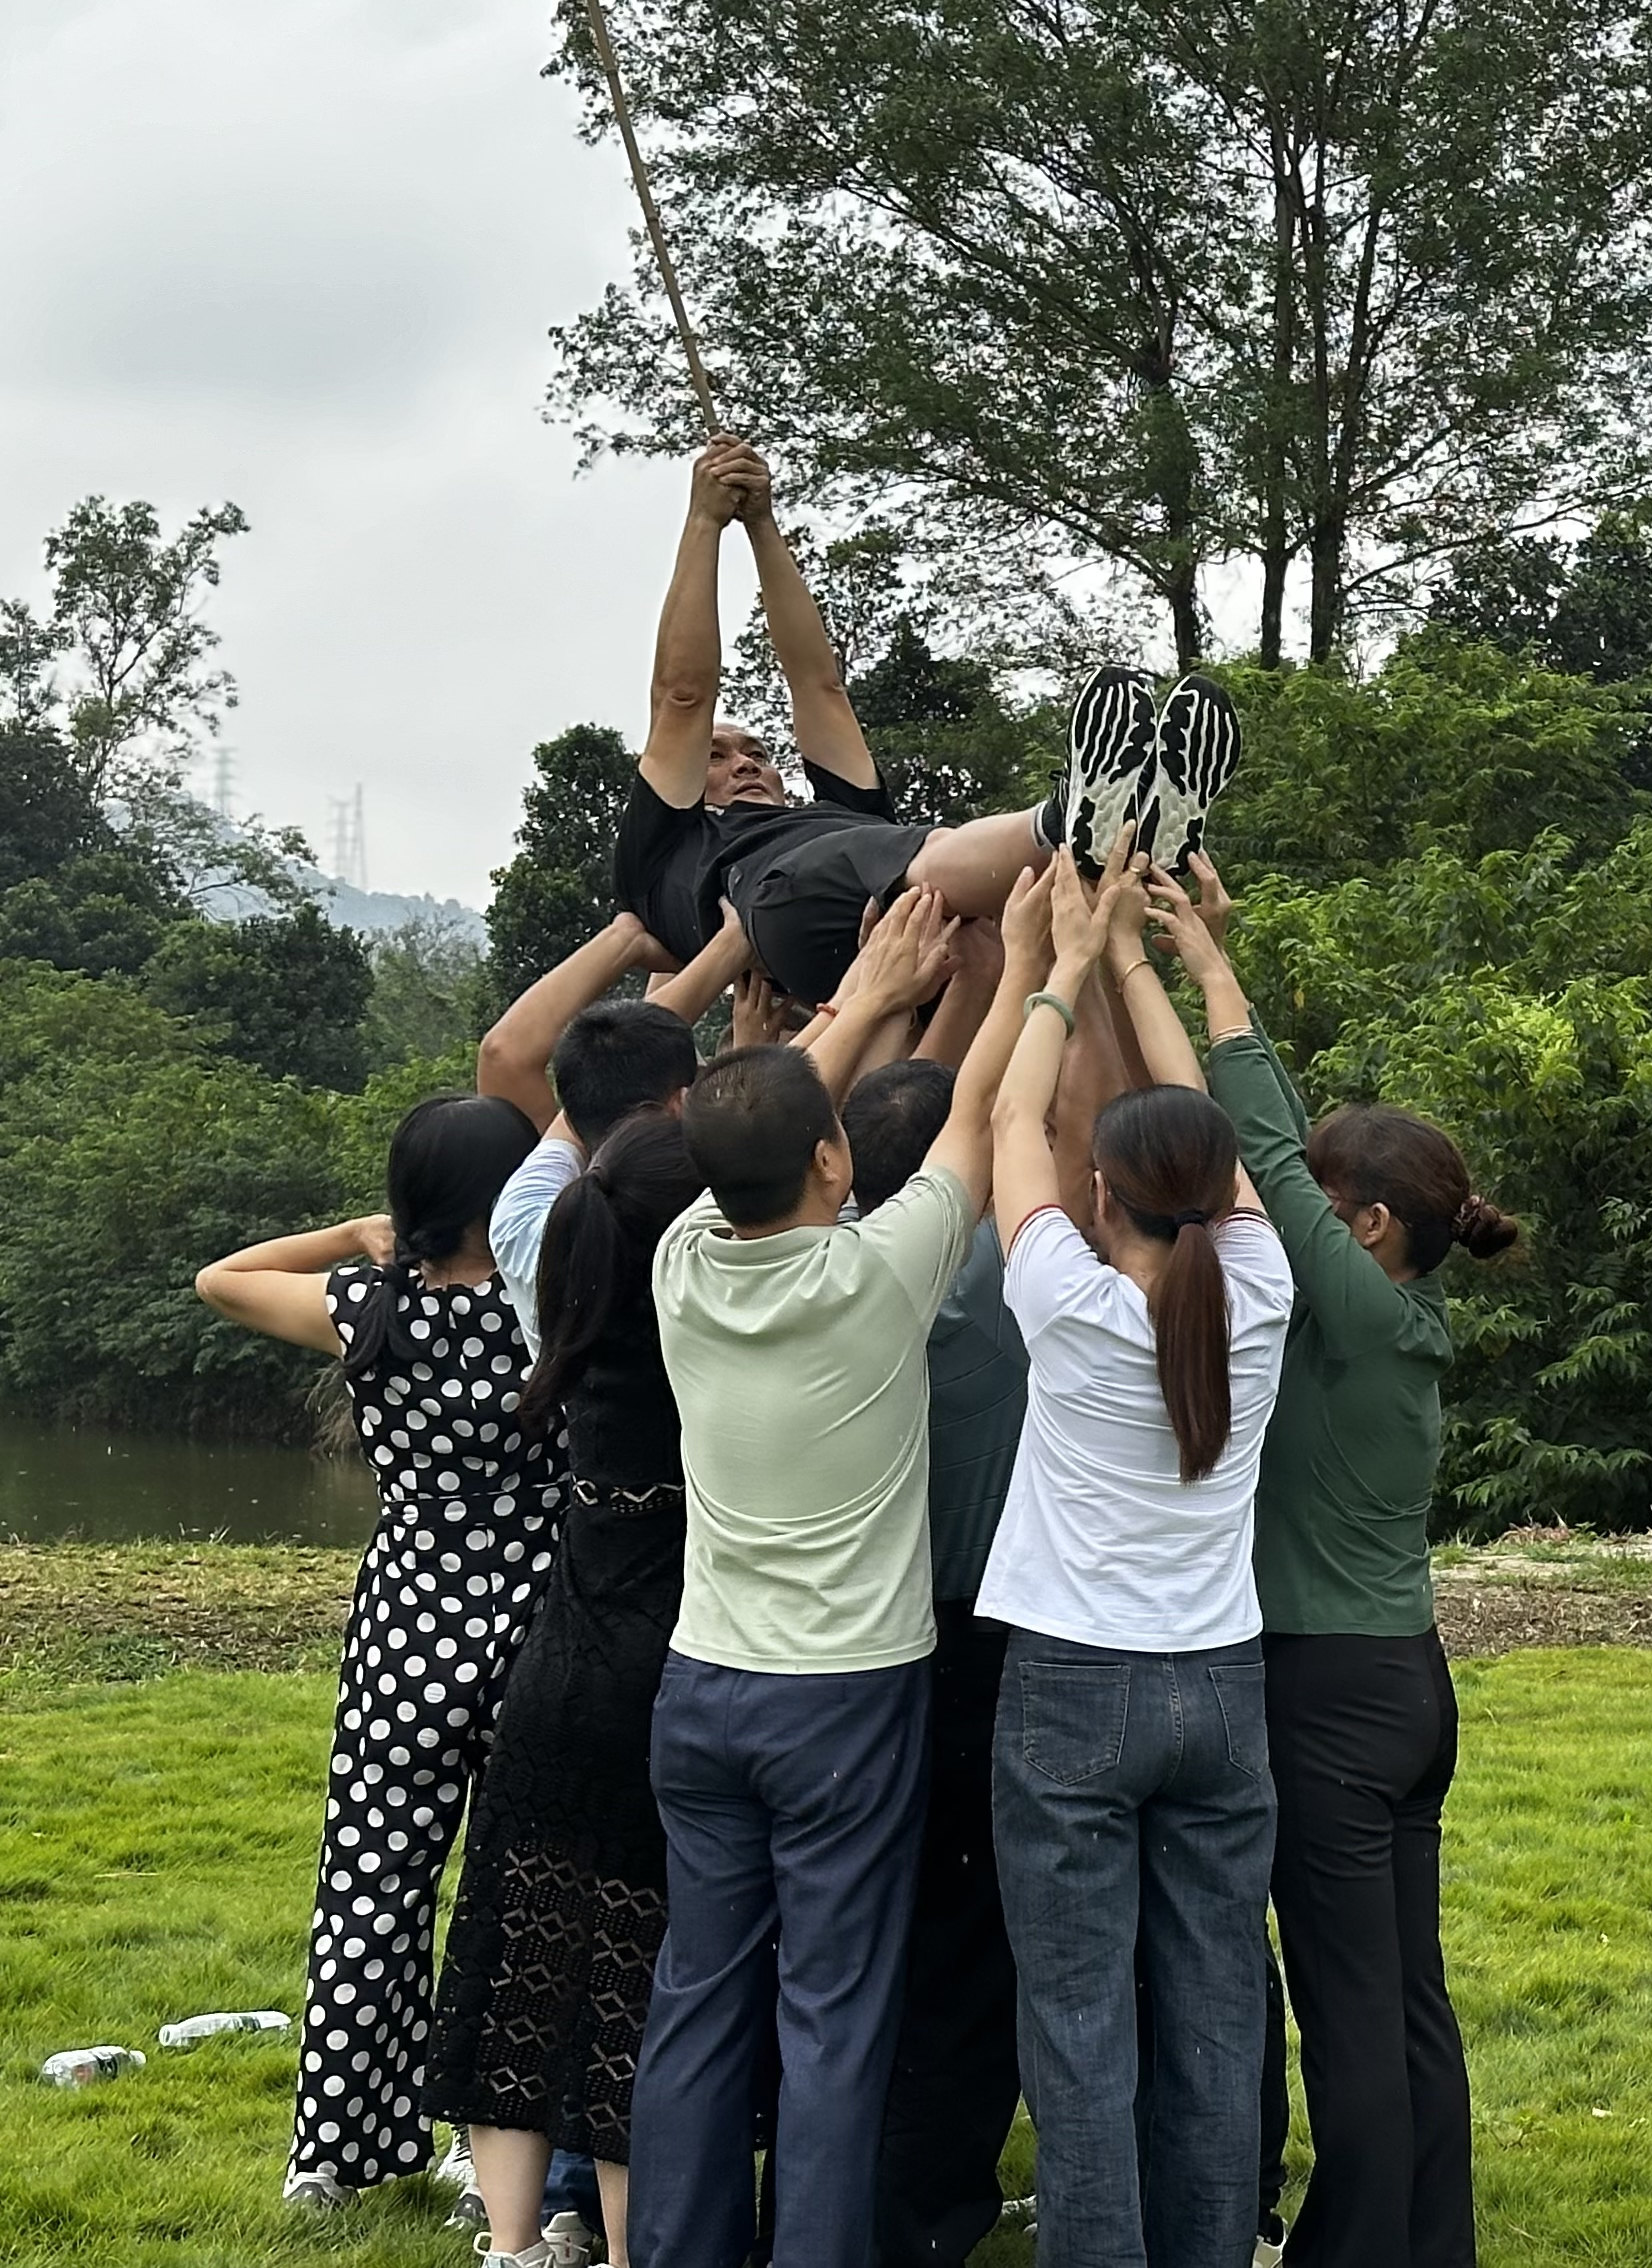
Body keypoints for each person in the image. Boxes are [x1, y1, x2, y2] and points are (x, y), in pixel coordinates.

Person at [636, 902, 1019, 2266]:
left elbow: (760, 1132)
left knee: (698, 1994)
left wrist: (866, 992)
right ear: (830, 1155)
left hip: (702, 1690)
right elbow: (976, 1114)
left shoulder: (682, 1265)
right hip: (844, 1701)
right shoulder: (876, 1278)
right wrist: (1030, 956)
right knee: (836, 2009)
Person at [1144, 861, 1513, 2268]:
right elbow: (1289, 1153)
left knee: (1351, 2004)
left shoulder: (1350, 1309)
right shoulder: (1382, 1311)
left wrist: (1206, 974)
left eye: (1322, 1201)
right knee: (1406, 1994)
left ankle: (1356, 2251)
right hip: (1403, 1690)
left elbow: (1263, 1155)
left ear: (1364, 1230)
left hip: (1328, 1699)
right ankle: (1431, 2244)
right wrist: (1214, 963)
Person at [973, 862, 1297, 2267]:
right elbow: (1212, 1142)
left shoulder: (1064, 1300)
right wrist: (1145, 970)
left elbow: (1002, 1116)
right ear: (1218, 1193)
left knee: (1079, 2010)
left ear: (1101, 1188)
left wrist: (1056, 962)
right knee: (1221, 2003)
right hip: (1220, 1690)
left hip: (1071, 1691)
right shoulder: (1265, 1289)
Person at [196, 1094, 567, 2210]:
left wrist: (362, 1237)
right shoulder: (557, 1303)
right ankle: (493, 2158)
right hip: (539, 1620)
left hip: (408, 1622)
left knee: (372, 1887)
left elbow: (222, 1278)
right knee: (521, 1899)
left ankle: (334, 2158)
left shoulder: (370, 1306)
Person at [611, 439, 1183, 1012]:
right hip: (786, 903)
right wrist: (705, 518)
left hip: (904, 945)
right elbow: (683, 698)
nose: (745, 762)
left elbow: (819, 685)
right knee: (923, 856)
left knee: (1036, 953)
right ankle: (1064, 822)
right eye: (716, 756)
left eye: (758, 753)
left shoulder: (837, 815)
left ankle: (1130, 838)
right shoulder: (668, 849)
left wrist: (763, 523)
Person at [422, 1112, 703, 2268]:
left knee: (518, 1959)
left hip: (556, 1674)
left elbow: (531, 1175)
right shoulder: (714, 1327)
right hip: (667, 1681)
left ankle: (512, 2245)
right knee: (637, 1982)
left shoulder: (564, 1311)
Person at [857, 1054, 1042, 2268]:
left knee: (870, 1933)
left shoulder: (830, 1282)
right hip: (982, 1638)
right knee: (968, 1942)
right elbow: (1033, 1132)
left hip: (857, 1649)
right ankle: (924, 2210)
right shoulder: (993, 1291)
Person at [477, 914, 748, 1351]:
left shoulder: (522, 1227)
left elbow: (514, 1059)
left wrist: (710, 946)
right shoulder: (714, 1226)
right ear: (680, 1103)